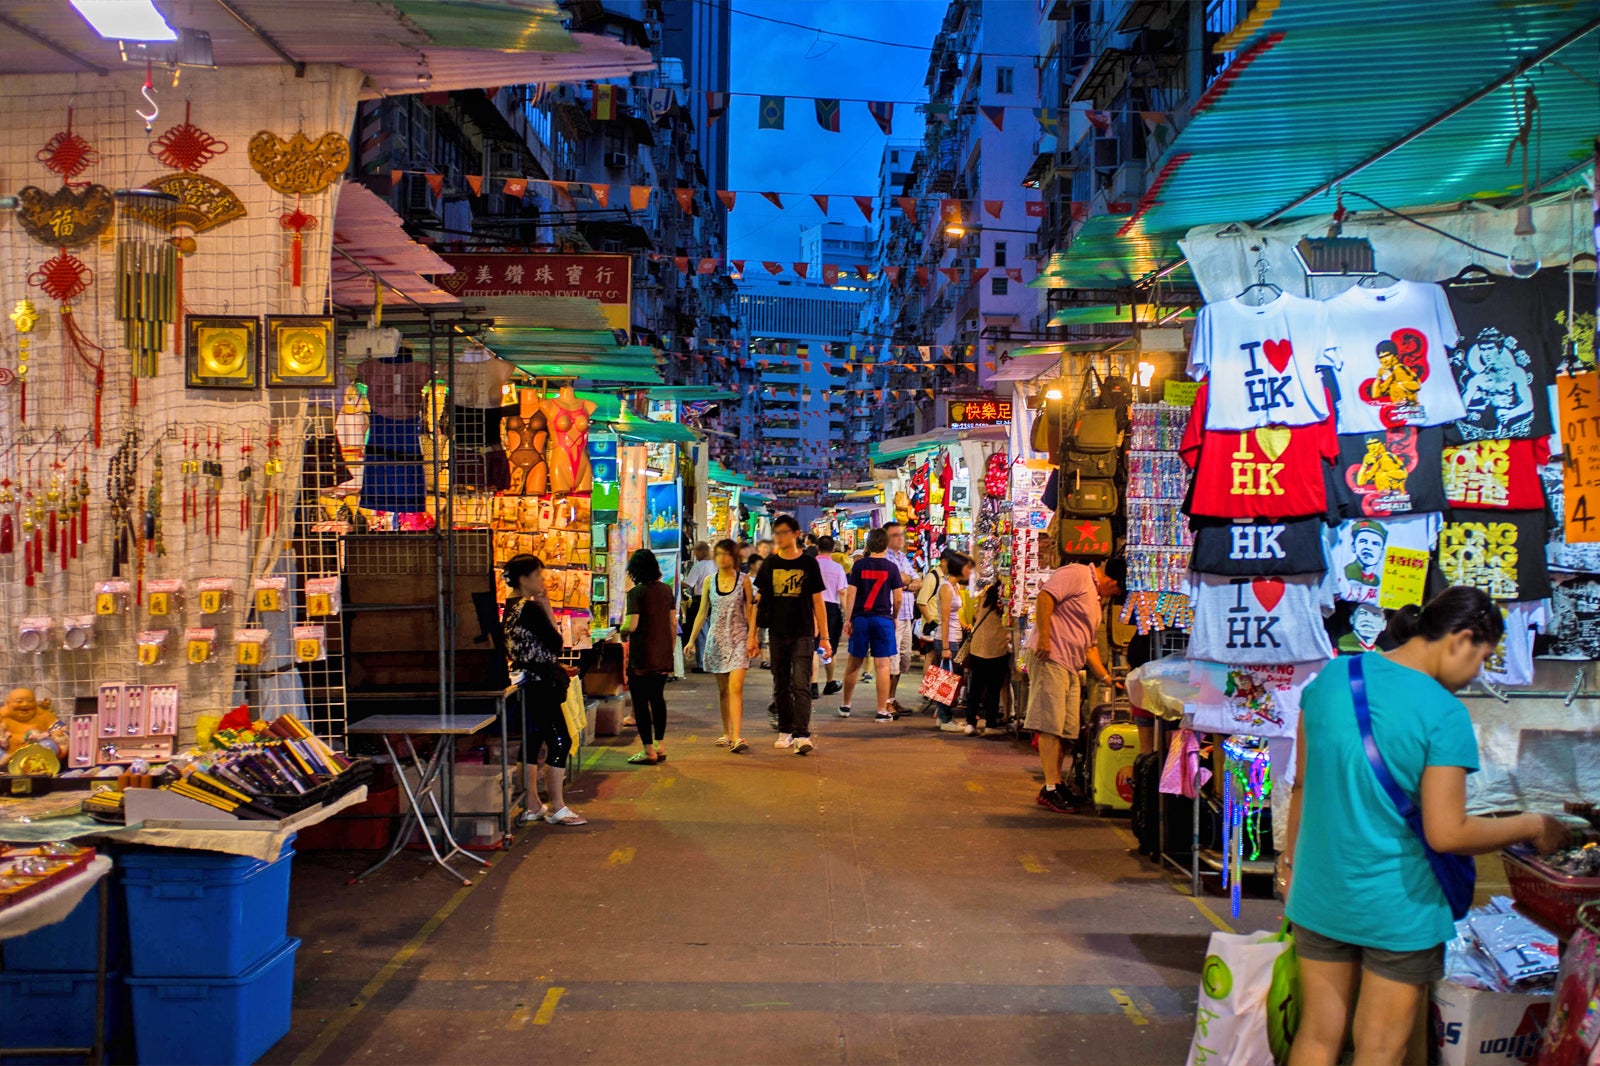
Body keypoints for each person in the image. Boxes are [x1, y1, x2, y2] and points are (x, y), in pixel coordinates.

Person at [1285, 588, 1568, 1066]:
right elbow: (1447, 834)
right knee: (1379, 1048)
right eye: (1483, 656)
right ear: (1459, 639)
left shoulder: (1334, 676)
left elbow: (1301, 786)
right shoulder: (1443, 713)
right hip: (1399, 907)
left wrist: (1291, 871)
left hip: (1319, 892)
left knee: (1315, 1037)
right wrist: (1534, 823)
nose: (1479, 671)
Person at [1026, 559, 1123, 812]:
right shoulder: (1078, 574)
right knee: (1050, 725)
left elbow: (1089, 646)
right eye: (1119, 590)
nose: (1117, 595)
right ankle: (1049, 788)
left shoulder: (1095, 598)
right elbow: (1046, 596)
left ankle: (1056, 783)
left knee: (1067, 729)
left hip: (1071, 665)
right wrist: (1045, 639)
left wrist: (1106, 678)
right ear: (1112, 581)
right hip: (1052, 657)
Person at [500, 554, 585, 825]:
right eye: (538, 575)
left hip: (524, 681)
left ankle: (532, 804)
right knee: (561, 739)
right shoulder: (530, 608)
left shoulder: (511, 605)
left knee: (533, 740)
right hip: (542, 682)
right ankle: (557, 806)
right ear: (524, 579)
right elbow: (555, 643)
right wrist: (547, 609)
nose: (542, 580)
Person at [752, 514, 830, 755]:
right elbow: (758, 601)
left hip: (803, 632)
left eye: (783, 532)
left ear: (796, 534)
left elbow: (818, 601)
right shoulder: (770, 564)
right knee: (781, 683)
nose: (779, 537)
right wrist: (752, 635)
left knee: (801, 684)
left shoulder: (809, 564)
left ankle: (802, 734)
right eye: (777, 533)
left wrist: (825, 637)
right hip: (777, 633)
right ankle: (785, 731)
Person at [685, 539, 756, 753]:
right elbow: (702, 612)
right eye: (719, 554)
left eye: (726, 554)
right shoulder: (709, 581)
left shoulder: (744, 581)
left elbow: (751, 611)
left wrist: (753, 637)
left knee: (736, 688)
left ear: (734, 557)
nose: (722, 558)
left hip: (738, 640)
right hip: (716, 640)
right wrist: (691, 640)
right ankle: (726, 733)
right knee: (724, 690)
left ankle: (737, 736)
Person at [838, 527, 904, 721]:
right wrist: (894, 616)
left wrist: (848, 619)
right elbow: (898, 598)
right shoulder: (892, 568)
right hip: (883, 619)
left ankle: (846, 705)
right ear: (886, 544)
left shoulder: (858, 566)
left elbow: (851, 594)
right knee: (882, 665)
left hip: (861, 619)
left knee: (853, 664)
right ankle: (882, 711)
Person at [620, 549, 676, 765]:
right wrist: (669, 648)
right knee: (658, 699)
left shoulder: (636, 593)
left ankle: (648, 750)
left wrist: (622, 630)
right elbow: (672, 623)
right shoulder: (666, 590)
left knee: (641, 703)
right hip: (662, 654)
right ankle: (660, 745)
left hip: (642, 655)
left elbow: (631, 624)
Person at [962, 579, 1011, 736]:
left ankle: (970, 723)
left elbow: (976, 616)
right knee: (993, 689)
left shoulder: (984, 597)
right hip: (997, 649)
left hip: (978, 648)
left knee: (975, 687)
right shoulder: (1004, 605)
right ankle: (990, 724)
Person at [882, 522, 922, 715]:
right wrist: (904, 582)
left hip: (907, 615)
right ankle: (886, 701)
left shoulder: (903, 558)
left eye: (901, 535)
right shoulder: (885, 559)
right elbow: (895, 580)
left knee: (904, 659)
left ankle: (892, 697)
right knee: (892, 659)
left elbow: (918, 581)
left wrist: (903, 583)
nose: (900, 539)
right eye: (895, 535)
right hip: (893, 616)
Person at [934, 552, 974, 731]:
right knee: (946, 680)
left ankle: (943, 716)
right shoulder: (946, 588)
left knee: (951, 679)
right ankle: (944, 718)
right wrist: (944, 647)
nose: (969, 571)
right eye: (967, 567)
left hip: (954, 637)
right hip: (947, 639)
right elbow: (943, 619)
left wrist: (964, 624)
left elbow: (952, 615)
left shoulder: (955, 586)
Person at [813, 535, 849, 698]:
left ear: (817, 548)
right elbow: (842, 593)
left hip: (812, 607)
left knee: (813, 647)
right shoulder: (838, 568)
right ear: (833, 550)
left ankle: (813, 684)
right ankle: (829, 682)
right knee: (829, 648)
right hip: (831, 609)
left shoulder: (811, 565)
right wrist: (848, 617)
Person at [683, 542, 716, 668]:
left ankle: (703, 663)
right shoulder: (716, 565)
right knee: (711, 630)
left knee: (701, 632)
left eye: (696, 552)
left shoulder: (698, 566)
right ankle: (712, 661)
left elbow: (689, 584)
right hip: (715, 599)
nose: (695, 555)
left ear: (701, 551)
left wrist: (676, 582)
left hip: (701, 600)